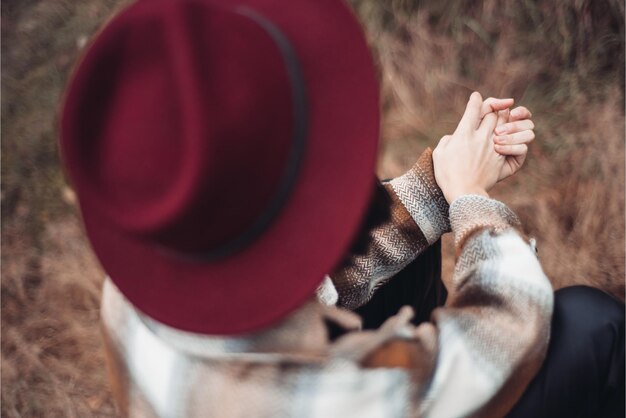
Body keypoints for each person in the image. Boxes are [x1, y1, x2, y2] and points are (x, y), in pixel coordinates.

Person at [59, 0, 624, 416]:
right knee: (592, 327)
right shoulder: (312, 401)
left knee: (407, 256)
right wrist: (474, 207)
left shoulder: (154, 257)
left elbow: (302, 280)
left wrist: (439, 184)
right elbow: (505, 337)